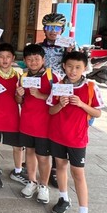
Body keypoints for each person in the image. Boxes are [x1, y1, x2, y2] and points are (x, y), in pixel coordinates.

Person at [47, 51, 103, 213]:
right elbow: (51, 111)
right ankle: (63, 198)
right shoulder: (58, 86)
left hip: (77, 138)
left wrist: (81, 104)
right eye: (69, 66)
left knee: (78, 173)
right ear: (64, 66)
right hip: (57, 135)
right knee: (60, 167)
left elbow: (97, 113)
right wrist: (60, 105)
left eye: (78, 67)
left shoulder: (90, 87)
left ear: (84, 68)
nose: (73, 70)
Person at [15, 44, 59, 204]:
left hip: (45, 125)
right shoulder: (23, 77)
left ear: (43, 59)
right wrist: (18, 95)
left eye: (36, 59)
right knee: (30, 153)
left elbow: (59, 99)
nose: (33, 62)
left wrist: (41, 95)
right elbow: (20, 101)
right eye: (29, 59)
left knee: (43, 157)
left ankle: (44, 186)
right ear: (25, 61)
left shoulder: (52, 76)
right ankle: (32, 181)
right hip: (27, 123)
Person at [38, 12, 74, 188]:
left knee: (58, 128)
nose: (53, 31)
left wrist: (70, 53)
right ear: (44, 29)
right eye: (50, 27)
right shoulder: (38, 47)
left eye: (57, 28)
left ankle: (54, 167)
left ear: (62, 29)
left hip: (61, 91)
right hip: (42, 90)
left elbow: (79, 69)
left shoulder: (69, 47)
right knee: (40, 125)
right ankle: (32, 157)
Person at [0, 43, 26, 188]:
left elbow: (19, 101)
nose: (5, 60)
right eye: (1, 57)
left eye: (8, 57)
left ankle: (18, 171)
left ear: (13, 58)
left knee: (17, 146)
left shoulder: (19, 77)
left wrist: (20, 95)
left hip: (12, 116)